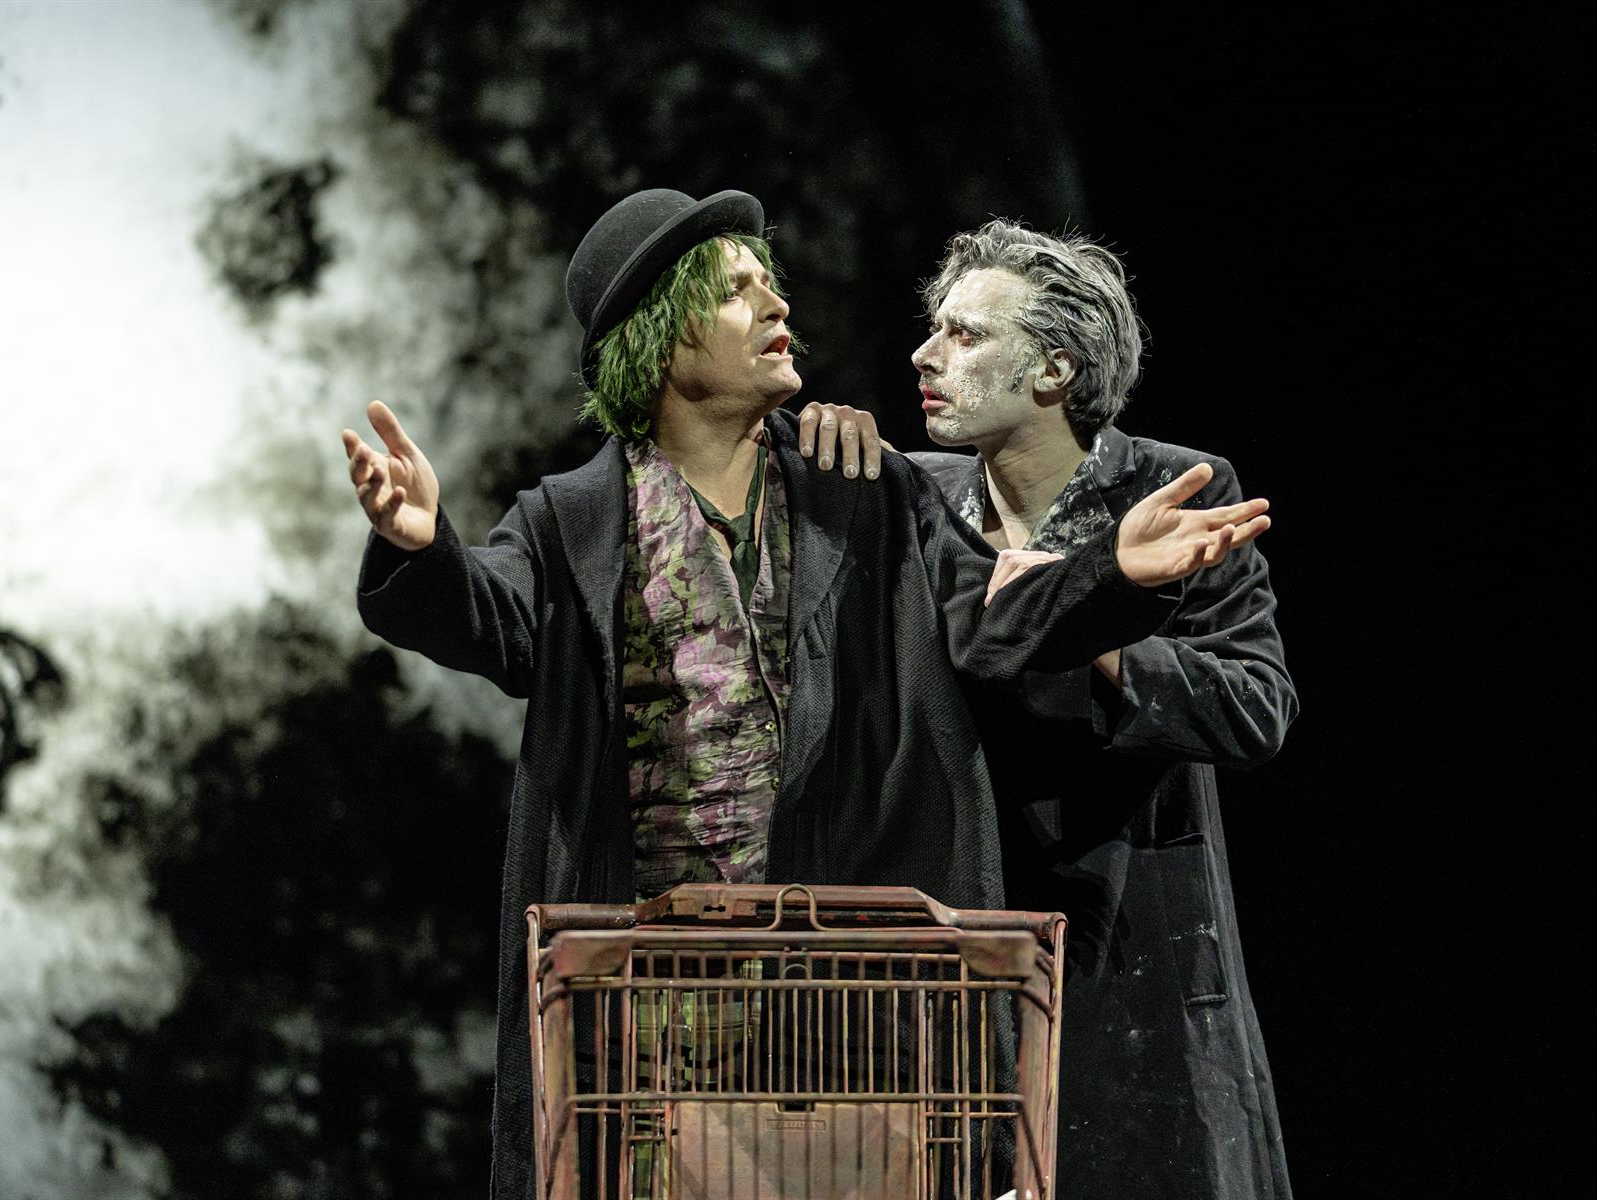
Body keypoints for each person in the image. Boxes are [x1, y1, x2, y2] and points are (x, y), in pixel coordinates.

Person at [341, 189, 1272, 1198]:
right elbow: (492, 619)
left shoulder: (863, 490)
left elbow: (989, 620)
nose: (777, 303)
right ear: (658, 339)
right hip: (647, 1016)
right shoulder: (569, 521)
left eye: (769, 281)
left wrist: (1110, 577)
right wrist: (422, 549)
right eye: (735, 291)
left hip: (850, 1001)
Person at [891, 218, 1296, 1200]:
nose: (924, 355)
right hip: (956, 927)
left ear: (1054, 368)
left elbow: (1255, 706)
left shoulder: (1172, 488)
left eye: (964, 334)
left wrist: (1104, 635)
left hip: (1128, 934)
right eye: (934, 329)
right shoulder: (914, 499)